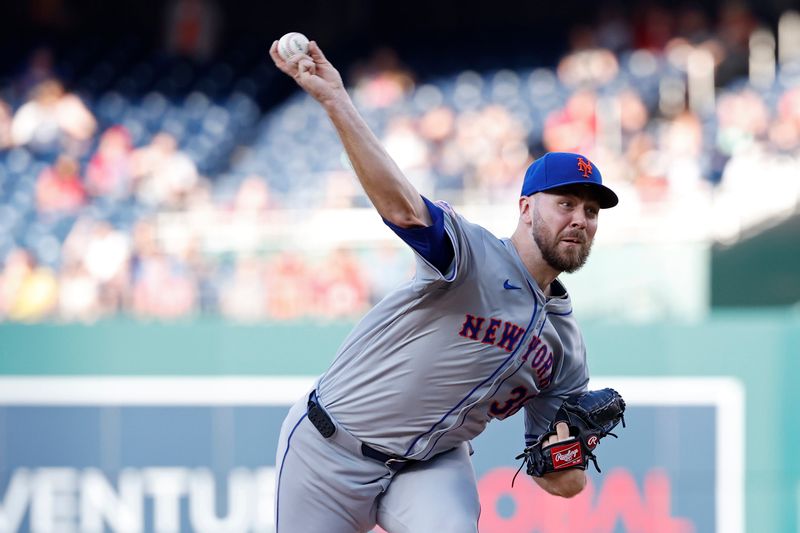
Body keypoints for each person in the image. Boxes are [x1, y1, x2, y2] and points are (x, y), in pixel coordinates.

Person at [270, 40, 620, 533]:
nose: (580, 219)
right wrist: (336, 101)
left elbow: (562, 482)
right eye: (565, 203)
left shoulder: (564, 346)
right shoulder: (472, 255)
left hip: (430, 464)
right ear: (525, 207)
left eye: (590, 211)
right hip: (331, 449)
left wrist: (569, 451)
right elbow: (403, 209)